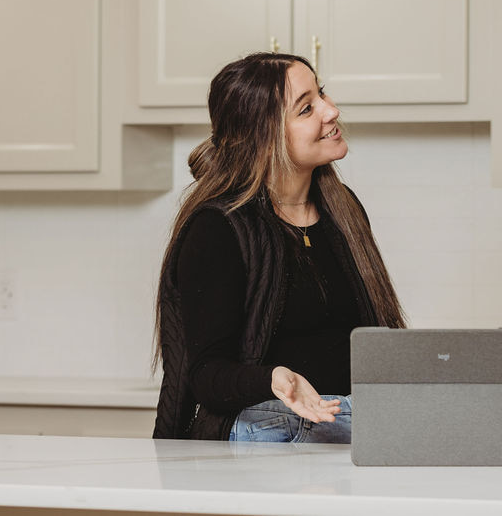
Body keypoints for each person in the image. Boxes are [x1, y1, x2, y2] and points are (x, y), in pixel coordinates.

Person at [152, 51, 406, 442]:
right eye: (307, 109)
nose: (331, 111)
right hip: (272, 426)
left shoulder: (344, 209)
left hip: (357, 422)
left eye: (322, 94)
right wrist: (271, 378)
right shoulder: (218, 228)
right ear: (264, 138)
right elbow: (205, 376)